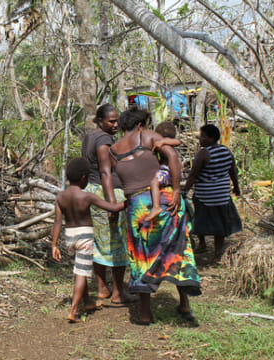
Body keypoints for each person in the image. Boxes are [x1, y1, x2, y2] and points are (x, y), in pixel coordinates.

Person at [109, 110, 201, 325]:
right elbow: (174, 156)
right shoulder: (149, 135)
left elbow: (118, 180)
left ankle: (144, 313)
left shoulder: (114, 150)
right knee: (177, 249)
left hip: (136, 207)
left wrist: (116, 207)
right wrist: (177, 190)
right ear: (141, 124)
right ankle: (184, 303)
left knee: (141, 256)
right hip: (166, 199)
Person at [52, 158, 126, 323]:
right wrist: (129, 201)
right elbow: (113, 207)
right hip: (85, 236)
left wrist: (54, 244)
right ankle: (73, 310)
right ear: (84, 178)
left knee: (80, 269)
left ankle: (88, 302)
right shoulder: (87, 196)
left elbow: (57, 221)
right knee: (81, 273)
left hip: (69, 236)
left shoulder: (61, 196)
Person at [81, 104, 133, 306]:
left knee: (99, 242)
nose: (116, 124)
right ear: (100, 120)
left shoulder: (90, 136)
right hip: (106, 193)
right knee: (116, 242)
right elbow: (105, 172)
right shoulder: (103, 140)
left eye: (117, 120)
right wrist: (112, 204)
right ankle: (118, 292)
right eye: (111, 121)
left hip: (93, 192)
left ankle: (102, 287)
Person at [185, 124, 242, 258]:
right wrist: (236, 187)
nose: (200, 139)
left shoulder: (204, 154)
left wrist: (184, 191)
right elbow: (232, 171)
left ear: (211, 138)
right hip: (222, 196)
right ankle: (218, 251)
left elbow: (193, 174)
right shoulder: (226, 151)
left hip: (205, 196)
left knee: (199, 218)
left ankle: (202, 244)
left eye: (203, 136)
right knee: (220, 224)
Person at [146, 122, 182, 221]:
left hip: (167, 171)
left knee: (154, 182)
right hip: (173, 172)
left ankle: (156, 207)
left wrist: (162, 142)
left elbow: (177, 142)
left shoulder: (164, 142)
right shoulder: (166, 144)